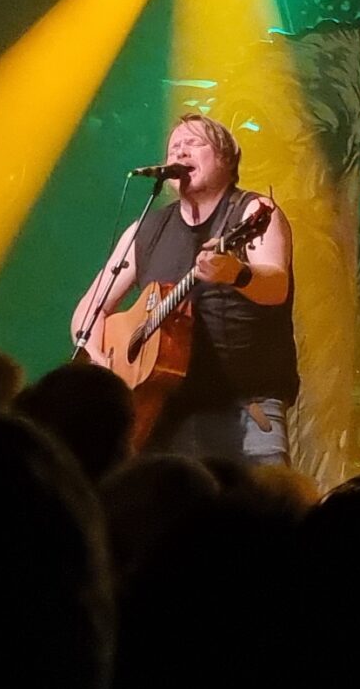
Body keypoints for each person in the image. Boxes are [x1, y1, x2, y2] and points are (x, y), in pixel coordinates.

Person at [70, 114, 296, 465]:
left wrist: (236, 273)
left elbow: (276, 285)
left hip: (241, 407)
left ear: (225, 159)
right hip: (158, 410)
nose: (181, 151)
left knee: (257, 513)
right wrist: (98, 358)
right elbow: (91, 308)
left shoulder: (250, 212)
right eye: (175, 146)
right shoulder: (148, 227)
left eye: (194, 143)